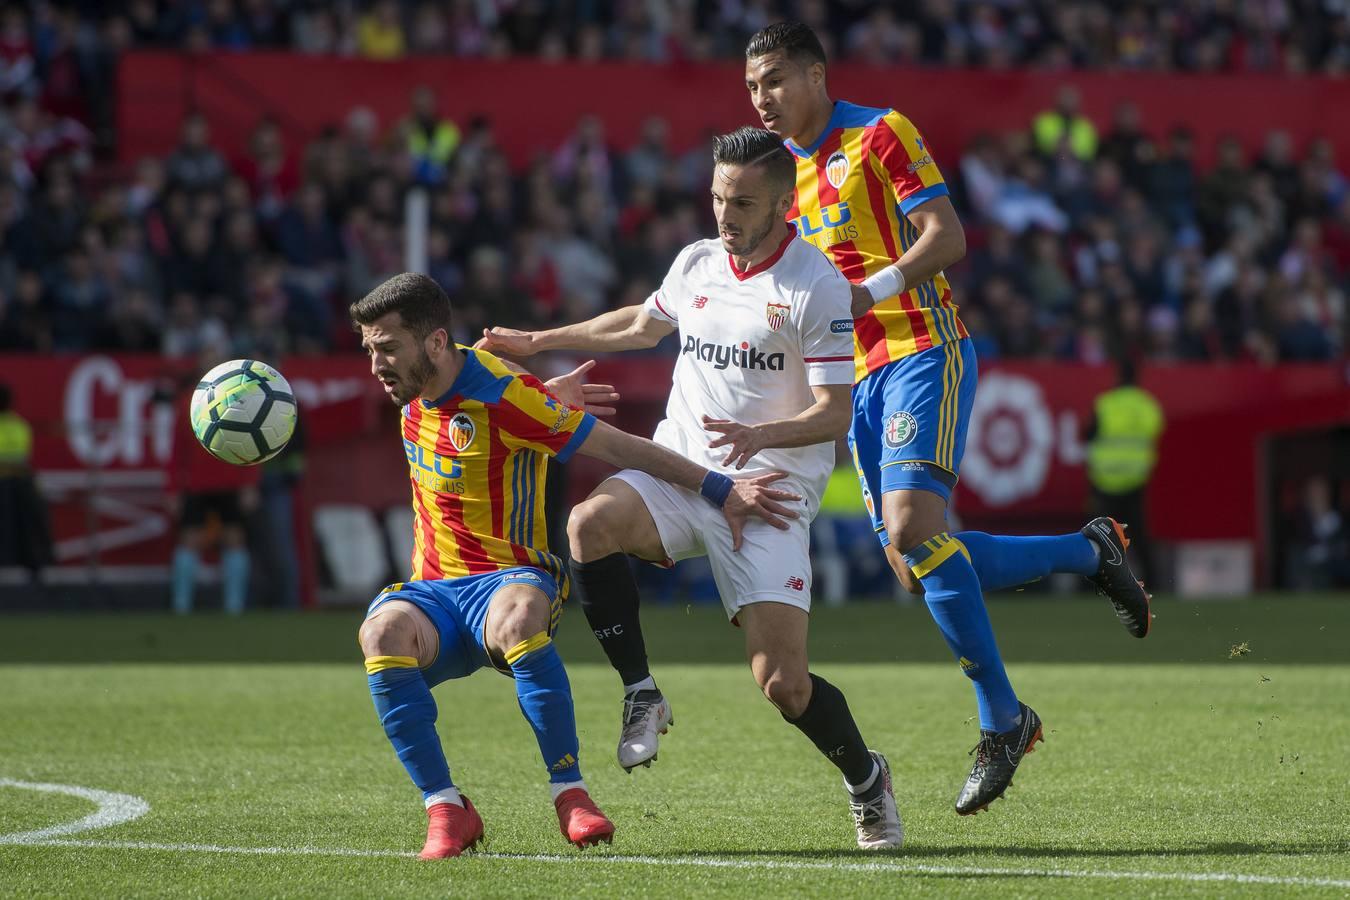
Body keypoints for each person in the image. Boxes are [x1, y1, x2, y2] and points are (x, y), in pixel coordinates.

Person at [741, 21, 1152, 816]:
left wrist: (873, 290)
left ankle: (1003, 718)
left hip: (923, 346)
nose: (763, 98)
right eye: (753, 86)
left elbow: (948, 236)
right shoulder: (780, 178)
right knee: (914, 560)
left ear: (818, 75)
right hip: (854, 380)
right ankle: (1087, 548)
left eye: (776, 80)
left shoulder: (879, 133)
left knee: (908, 532)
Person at [478, 127, 903, 850]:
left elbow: (834, 413)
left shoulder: (816, 286)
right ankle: (642, 691)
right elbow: (645, 324)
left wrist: (761, 439)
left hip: (768, 494)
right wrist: (541, 339)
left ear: (781, 205)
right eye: (716, 197)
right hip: (682, 474)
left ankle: (867, 779)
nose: (724, 214)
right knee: (587, 525)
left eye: (742, 201)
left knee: (785, 688)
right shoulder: (699, 262)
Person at [351, 272, 797, 859]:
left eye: (388, 349)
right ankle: (446, 808)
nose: (377, 365)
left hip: (510, 581)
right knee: (380, 631)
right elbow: (484, 366)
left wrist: (719, 488)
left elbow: (619, 447)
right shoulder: (429, 382)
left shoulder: (503, 396)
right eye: (370, 350)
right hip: (434, 590)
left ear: (434, 343)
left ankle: (572, 795)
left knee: (518, 619)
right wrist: (541, 384)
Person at [162, 371, 259, 615]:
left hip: (230, 481)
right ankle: (181, 606)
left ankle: (234, 607)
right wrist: (173, 489)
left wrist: (249, 483)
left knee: (234, 539)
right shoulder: (187, 403)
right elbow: (177, 451)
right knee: (190, 540)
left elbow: (252, 440)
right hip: (197, 483)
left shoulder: (239, 400)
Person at [1085, 357, 1165, 586]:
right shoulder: (1148, 405)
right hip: (1136, 478)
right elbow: (1155, 432)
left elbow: (1090, 434)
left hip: (1106, 479)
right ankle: (1153, 582)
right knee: (1139, 535)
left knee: (1100, 536)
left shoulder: (1106, 403)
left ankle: (1094, 584)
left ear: (1118, 376)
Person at [0, 381, 52, 580]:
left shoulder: (19, 425)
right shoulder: (20, 425)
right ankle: (35, 565)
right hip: (20, 485)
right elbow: (23, 460)